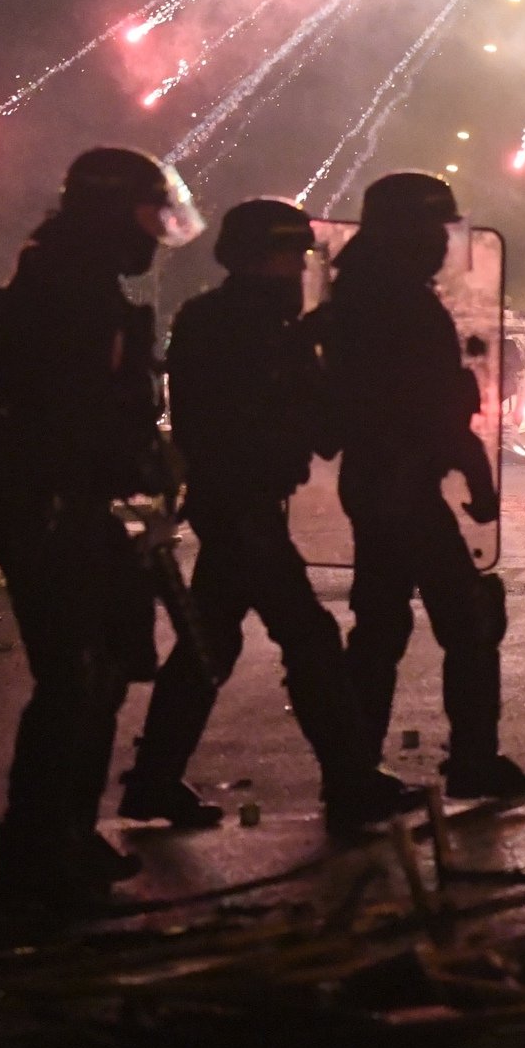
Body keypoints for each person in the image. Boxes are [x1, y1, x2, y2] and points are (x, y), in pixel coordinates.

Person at [0, 148, 202, 919]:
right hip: (48, 504)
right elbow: (64, 417)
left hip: (62, 501)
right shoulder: (63, 295)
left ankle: (64, 834)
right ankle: (37, 851)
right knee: (76, 677)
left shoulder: (74, 285)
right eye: (142, 215)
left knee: (99, 671)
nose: (154, 234)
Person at [126, 198, 415, 833]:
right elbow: (275, 418)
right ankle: (349, 779)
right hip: (240, 503)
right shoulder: (246, 327)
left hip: (238, 501)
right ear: (266, 256)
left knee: (214, 641)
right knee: (309, 639)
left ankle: (153, 779)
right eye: (293, 255)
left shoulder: (226, 320)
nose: (300, 267)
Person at [314, 172, 525, 799]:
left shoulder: (363, 292)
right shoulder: (394, 301)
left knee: (381, 627)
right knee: (467, 621)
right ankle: (468, 761)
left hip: (381, 478)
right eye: (436, 229)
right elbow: (423, 404)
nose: (444, 244)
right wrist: (471, 466)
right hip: (402, 481)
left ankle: (354, 775)